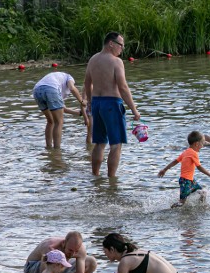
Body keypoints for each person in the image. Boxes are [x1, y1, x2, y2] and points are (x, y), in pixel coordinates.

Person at [84, 32, 141, 177]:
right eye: (121, 45)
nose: (122, 49)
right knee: (116, 144)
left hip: (97, 103)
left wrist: (89, 102)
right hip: (112, 104)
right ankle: (112, 180)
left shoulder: (93, 59)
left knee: (99, 143)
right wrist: (134, 110)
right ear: (111, 43)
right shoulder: (116, 62)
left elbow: (87, 83)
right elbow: (122, 87)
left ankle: (95, 176)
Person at [158, 131, 210, 207]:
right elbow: (199, 167)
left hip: (190, 180)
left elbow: (175, 161)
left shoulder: (186, 152)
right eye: (202, 143)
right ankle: (170, 209)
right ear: (196, 144)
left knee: (203, 193)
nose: (202, 146)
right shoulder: (193, 153)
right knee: (182, 202)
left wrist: (164, 169)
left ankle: (201, 208)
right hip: (186, 181)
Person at [23, 232, 98, 273]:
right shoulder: (50, 246)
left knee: (91, 262)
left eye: (76, 251)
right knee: (57, 261)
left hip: (53, 270)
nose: (72, 254)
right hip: (31, 271)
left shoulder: (80, 250)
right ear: (64, 243)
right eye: (70, 250)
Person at [32, 71, 86, 148]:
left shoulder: (57, 80)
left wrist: (78, 113)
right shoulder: (69, 77)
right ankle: (57, 149)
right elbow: (72, 88)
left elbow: (61, 108)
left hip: (37, 91)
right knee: (59, 122)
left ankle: (48, 147)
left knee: (50, 121)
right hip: (51, 89)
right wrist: (82, 101)